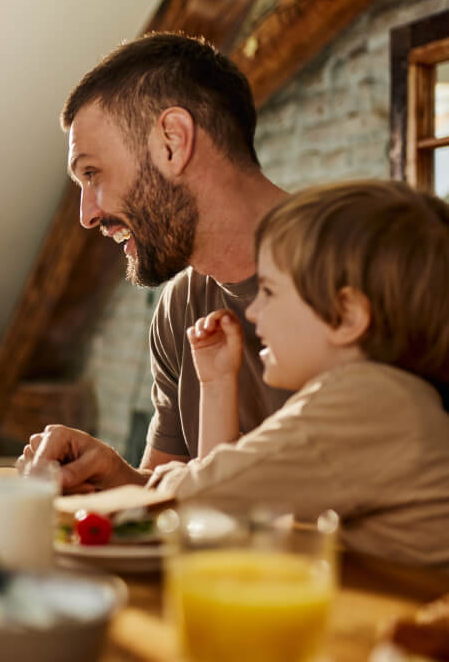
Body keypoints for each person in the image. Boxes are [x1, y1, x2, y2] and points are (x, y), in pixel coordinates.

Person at [21, 32, 292, 492]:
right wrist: (117, 476)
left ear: (172, 142)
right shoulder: (182, 307)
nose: (86, 215)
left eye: (93, 173)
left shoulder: (367, 264)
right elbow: (179, 496)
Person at [155, 181, 449, 568]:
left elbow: (203, 498)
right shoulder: (394, 397)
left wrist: (167, 477)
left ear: (347, 316)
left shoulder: (367, 402)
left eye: (271, 292)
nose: (254, 311)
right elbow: (227, 511)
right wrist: (217, 385)